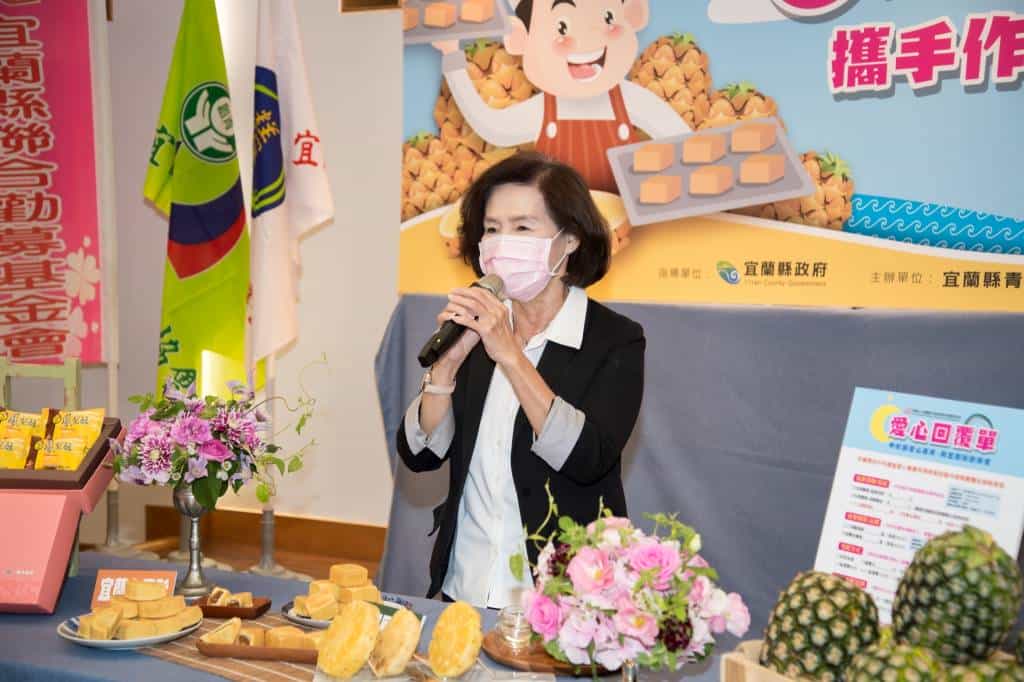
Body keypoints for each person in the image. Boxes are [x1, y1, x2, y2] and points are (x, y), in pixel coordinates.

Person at [396, 153, 646, 609]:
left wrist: (510, 355)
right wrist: (444, 372)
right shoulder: (477, 326)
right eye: (492, 228)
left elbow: (586, 459)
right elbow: (421, 455)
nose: (501, 243)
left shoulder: (615, 340)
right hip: (464, 587)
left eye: (523, 227)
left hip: (558, 603)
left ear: (569, 240)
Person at [434, 0, 688, 194]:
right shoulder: (543, 111)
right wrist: (451, 56)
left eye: (607, 18)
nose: (587, 39)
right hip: (557, 225)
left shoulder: (628, 99)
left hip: (623, 225)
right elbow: (491, 127)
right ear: (520, 39)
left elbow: (684, 143)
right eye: (561, 28)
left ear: (634, 15)